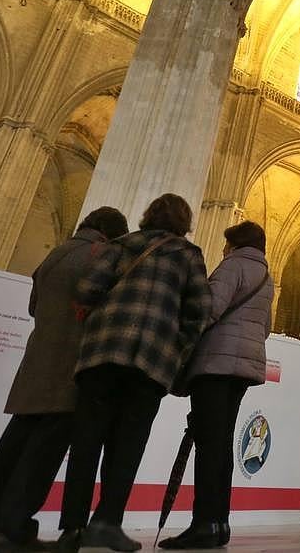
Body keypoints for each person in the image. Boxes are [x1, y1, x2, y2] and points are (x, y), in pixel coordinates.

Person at [0, 207, 129, 552]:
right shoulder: (105, 254)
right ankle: (10, 531)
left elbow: (33, 305)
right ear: (113, 235)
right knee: (42, 455)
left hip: (35, 364)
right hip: (70, 366)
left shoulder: (57, 252)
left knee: (9, 453)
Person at [57, 194, 212, 553]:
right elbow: (200, 311)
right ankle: (108, 522)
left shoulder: (121, 244)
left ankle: (72, 528)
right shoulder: (188, 255)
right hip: (150, 362)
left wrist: (102, 319)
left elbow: (87, 289)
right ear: (184, 223)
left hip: (102, 355)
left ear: (148, 216)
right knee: (128, 444)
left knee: (86, 442)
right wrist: (176, 347)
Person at [160, 221, 275, 549]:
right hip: (243, 368)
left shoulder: (233, 265)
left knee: (209, 443)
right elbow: (265, 326)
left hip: (215, 363)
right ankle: (220, 522)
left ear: (236, 244)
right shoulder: (266, 277)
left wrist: (182, 335)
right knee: (221, 442)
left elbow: (206, 310)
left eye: (226, 244)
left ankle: (204, 522)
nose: (223, 250)